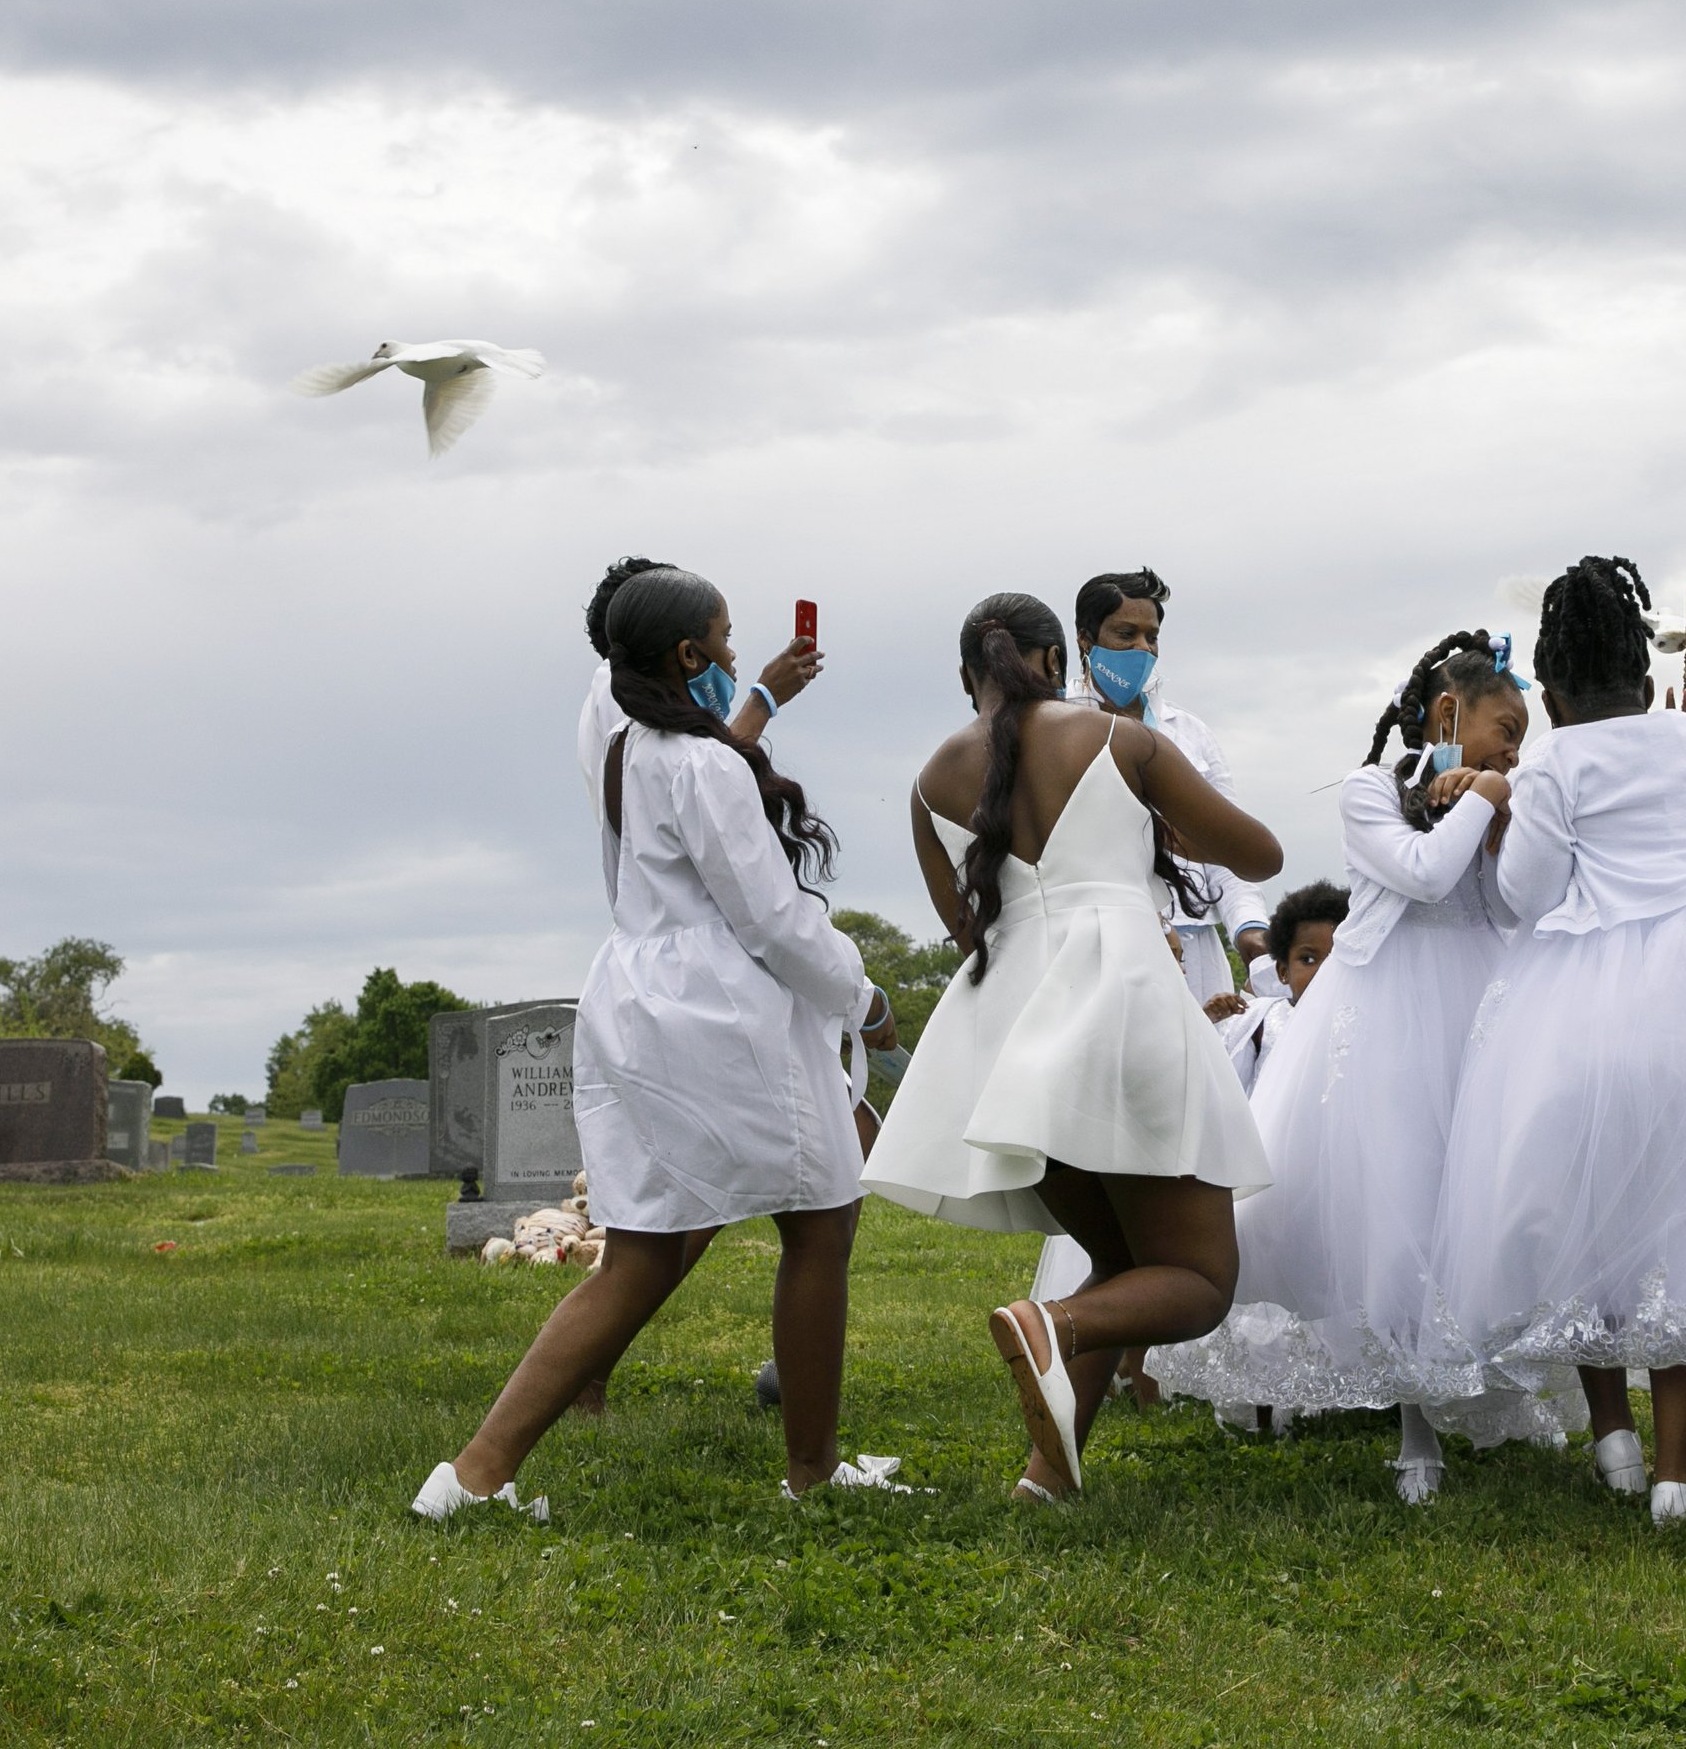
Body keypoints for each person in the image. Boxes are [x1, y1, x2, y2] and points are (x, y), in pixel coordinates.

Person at [416, 569, 880, 1519]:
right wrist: (860, 995)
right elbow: (773, 920)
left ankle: (472, 1478)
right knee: (822, 1219)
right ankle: (813, 1472)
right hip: (716, 1011)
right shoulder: (702, 765)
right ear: (688, 656)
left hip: (635, 994)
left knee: (642, 1256)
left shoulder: (628, 747)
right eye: (727, 637)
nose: (738, 655)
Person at [1423, 559, 1686, 1526]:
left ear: (1553, 695)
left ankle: (1613, 1440)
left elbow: (1528, 893)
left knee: (1585, 1212)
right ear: (1650, 676)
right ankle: (1676, 1477)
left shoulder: (1557, 760)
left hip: (1582, 1002)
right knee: (1684, 1215)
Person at [863, 593, 1283, 1502]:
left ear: (967, 675)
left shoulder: (931, 780)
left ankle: (1045, 1480)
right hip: (1120, 1002)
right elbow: (1260, 857)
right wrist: (1160, 825)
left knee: (1125, 1263)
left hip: (1005, 1040)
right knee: (1202, 1281)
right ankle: (1051, 1324)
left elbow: (966, 928)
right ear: (1059, 661)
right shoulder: (1122, 743)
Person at [1152, 632, 1547, 1502]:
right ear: (1450, 713)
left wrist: (1505, 808)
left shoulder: (1499, 792)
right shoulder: (1373, 790)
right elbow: (1424, 873)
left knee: (1477, 1199)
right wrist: (1483, 797)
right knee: (1396, 1204)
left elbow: (1520, 900)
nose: (1516, 748)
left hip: (1484, 1012)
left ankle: (1485, 1388)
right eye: (1504, 728)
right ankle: (1414, 1426)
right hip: (1387, 1024)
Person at [1069, 569, 1271, 1002]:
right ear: (1086, 639)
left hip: (1196, 946)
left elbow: (1227, 848)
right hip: (1096, 947)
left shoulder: (1190, 733)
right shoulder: (1056, 729)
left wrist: (1251, 932)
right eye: (1126, 634)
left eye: (1152, 637)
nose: (1142, 648)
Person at [577, 556, 821, 824]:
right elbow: (703, 786)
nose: (731, 652)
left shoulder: (624, 696)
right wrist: (763, 699)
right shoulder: (613, 690)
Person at [1213, 881, 1349, 1095]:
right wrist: (1205, 1021)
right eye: (1309, 959)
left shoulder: (1361, 1022)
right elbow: (1220, 1086)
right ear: (1283, 971)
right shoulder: (1260, 1022)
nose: (1324, 971)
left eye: (1335, 959)